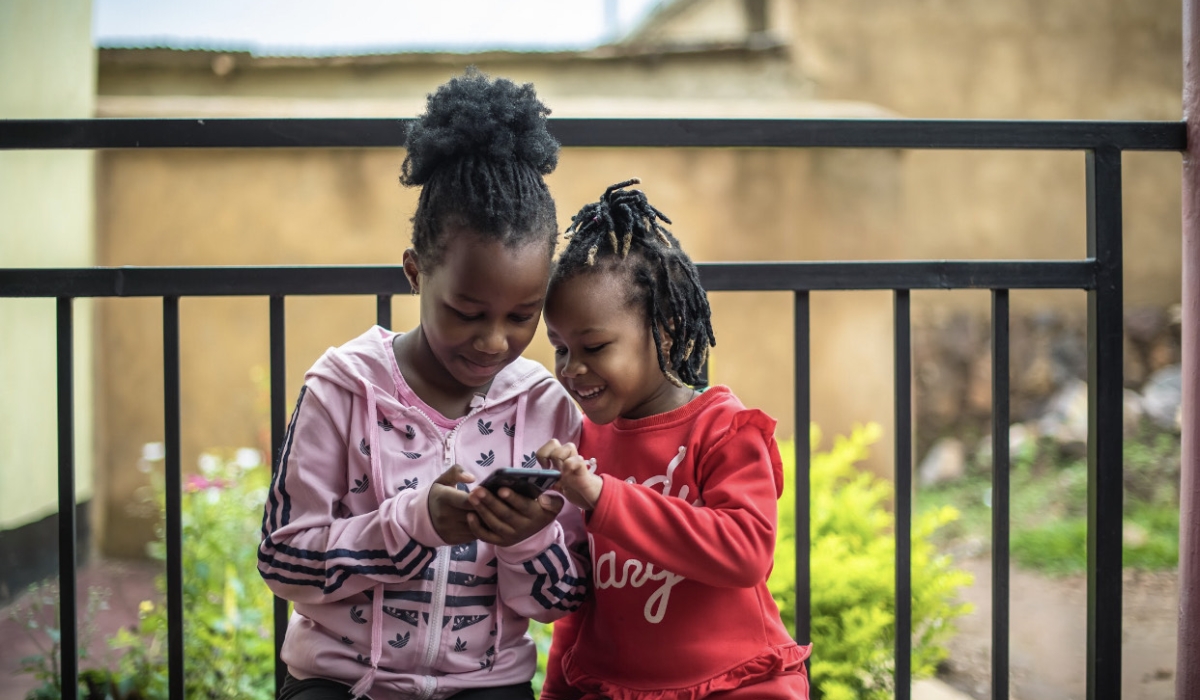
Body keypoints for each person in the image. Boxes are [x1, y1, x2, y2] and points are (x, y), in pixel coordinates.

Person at [257, 69, 588, 700]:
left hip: (487, 684)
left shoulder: (547, 408)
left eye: (523, 316)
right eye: (467, 312)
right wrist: (414, 524)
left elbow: (563, 597)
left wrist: (526, 539)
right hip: (338, 681)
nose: (494, 341)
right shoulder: (341, 389)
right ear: (415, 274)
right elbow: (282, 560)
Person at [536, 179, 811, 700]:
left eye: (594, 346)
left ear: (663, 329)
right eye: (560, 348)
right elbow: (583, 599)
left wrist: (605, 497)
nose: (573, 369)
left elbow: (746, 551)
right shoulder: (585, 443)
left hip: (735, 685)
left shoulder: (725, 430)